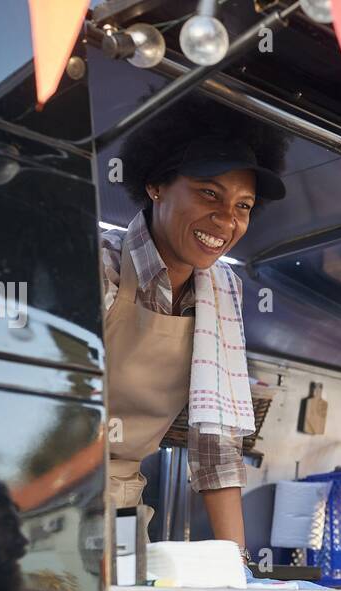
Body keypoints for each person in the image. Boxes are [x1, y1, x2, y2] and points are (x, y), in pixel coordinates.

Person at [104, 101, 289, 562]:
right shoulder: (99, 266)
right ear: (155, 185)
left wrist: (237, 567)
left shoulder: (221, 294)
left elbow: (217, 449)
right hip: (47, 494)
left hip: (124, 504)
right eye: (209, 193)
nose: (227, 220)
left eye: (242, 206)